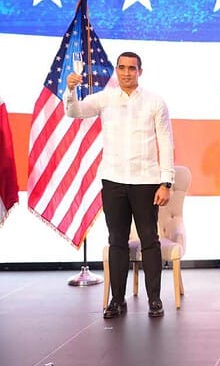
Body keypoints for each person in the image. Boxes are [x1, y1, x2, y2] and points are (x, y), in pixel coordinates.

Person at [65, 52, 174, 319]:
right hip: (113, 180)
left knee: (150, 241)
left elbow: (166, 142)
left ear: (140, 71)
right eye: (122, 68)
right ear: (117, 70)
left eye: (132, 68)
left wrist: (166, 182)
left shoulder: (155, 102)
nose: (127, 73)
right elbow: (74, 112)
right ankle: (117, 301)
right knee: (117, 241)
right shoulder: (105, 98)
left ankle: (155, 300)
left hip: (146, 181)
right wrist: (70, 90)